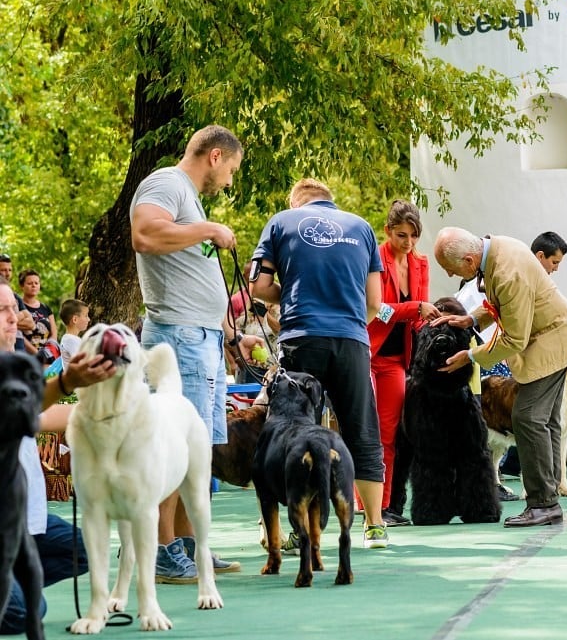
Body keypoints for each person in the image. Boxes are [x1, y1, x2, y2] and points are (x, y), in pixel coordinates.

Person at [130, 124, 261, 581]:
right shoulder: (166, 183)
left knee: (196, 450)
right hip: (178, 340)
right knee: (173, 448)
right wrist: (208, 229)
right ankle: (164, 549)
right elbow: (144, 234)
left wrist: (226, 332)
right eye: (232, 170)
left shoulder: (186, 195)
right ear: (216, 156)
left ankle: (186, 544)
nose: (230, 180)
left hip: (201, 337)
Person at [250, 178, 389, 548]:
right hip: (351, 340)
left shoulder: (280, 223)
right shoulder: (362, 227)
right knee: (361, 429)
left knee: (290, 432)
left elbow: (259, 287)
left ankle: (289, 531)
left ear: (295, 202)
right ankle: (374, 525)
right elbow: (374, 301)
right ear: (331, 201)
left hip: (300, 338)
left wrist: (294, 289)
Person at [432, 227, 567, 527]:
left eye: (450, 270)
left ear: (467, 259)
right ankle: (549, 496)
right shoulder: (498, 249)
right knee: (546, 420)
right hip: (557, 335)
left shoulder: (506, 272)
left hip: (551, 341)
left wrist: (471, 356)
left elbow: (514, 339)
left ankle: (543, 504)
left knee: (528, 417)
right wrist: (472, 318)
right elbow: (498, 304)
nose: (451, 276)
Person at [0, 277, 115, 635]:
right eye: (2, 310)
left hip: (27, 518)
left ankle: (12, 583)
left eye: (12, 308)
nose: (13, 316)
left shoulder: (16, 359)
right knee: (25, 612)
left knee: (84, 549)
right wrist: (67, 383)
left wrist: (103, 412)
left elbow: (41, 417)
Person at [367, 200, 440, 527]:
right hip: (369, 352)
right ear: (387, 231)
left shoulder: (421, 264)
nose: (408, 242)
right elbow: (376, 309)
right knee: (367, 431)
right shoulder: (373, 259)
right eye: (401, 235)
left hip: (400, 359)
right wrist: (414, 308)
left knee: (390, 432)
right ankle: (365, 502)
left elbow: (420, 318)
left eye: (413, 235)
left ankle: (383, 507)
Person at [17, 269, 56, 358]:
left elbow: (54, 333)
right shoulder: (18, 308)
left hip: (47, 355)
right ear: (21, 286)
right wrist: (37, 353)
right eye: (30, 283)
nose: (34, 286)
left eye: (36, 283)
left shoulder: (46, 308)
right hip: (25, 355)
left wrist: (49, 352)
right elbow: (19, 334)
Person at [0, 254, 34, 351]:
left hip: (17, 341)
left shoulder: (15, 296)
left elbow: (31, 324)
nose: (7, 273)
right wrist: (22, 315)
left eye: (10, 270)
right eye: (3, 270)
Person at [58, 299, 90, 369]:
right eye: (86, 316)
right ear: (75, 319)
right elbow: (81, 363)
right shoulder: (70, 340)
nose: (89, 319)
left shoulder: (72, 338)